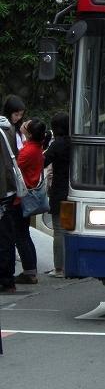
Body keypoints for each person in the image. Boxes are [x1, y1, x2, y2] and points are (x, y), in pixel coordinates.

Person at [12, 117, 46, 285]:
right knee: (24, 234)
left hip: (21, 197)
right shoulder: (36, 147)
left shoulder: (28, 151)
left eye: (27, 124)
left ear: (30, 133)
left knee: (20, 236)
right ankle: (31, 270)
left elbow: (15, 169)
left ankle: (29, 271)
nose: (23, 123)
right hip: (28, 195)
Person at [43, 112, 70, 278]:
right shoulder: (75, 142)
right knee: (71, 230)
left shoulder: (57, 144)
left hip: (59, 190)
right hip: (75, 190)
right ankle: (71, 265)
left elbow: (43, 161)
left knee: (59, 230)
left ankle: (59, 268)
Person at [0, 116, 18, 293]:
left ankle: (5, 278)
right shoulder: (8, 129)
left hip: (2, 191)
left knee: (4, 237)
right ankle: (8, 279)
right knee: (7, 236)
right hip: (8, 190)